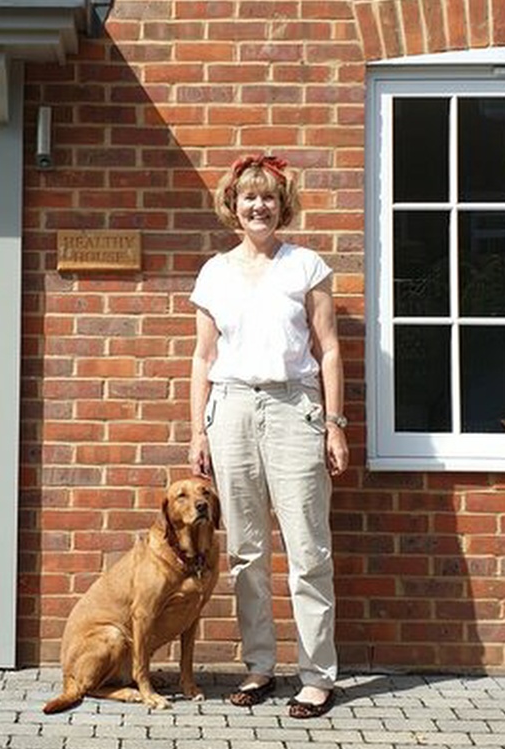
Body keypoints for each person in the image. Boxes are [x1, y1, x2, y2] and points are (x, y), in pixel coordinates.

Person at [188, 153, 349, 719]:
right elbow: (203, 358)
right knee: (244, 551)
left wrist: (334, 422)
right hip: (229, 410)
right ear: (232, 205)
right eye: (249, 197)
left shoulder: (306, 266)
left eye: (269, 198)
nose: (259, 206)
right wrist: (197, 432)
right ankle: (259, 665)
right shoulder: (214, 271)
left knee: (307, 548)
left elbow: (328, 348)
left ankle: (317, 674)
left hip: (293, 409)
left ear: (283, 206)